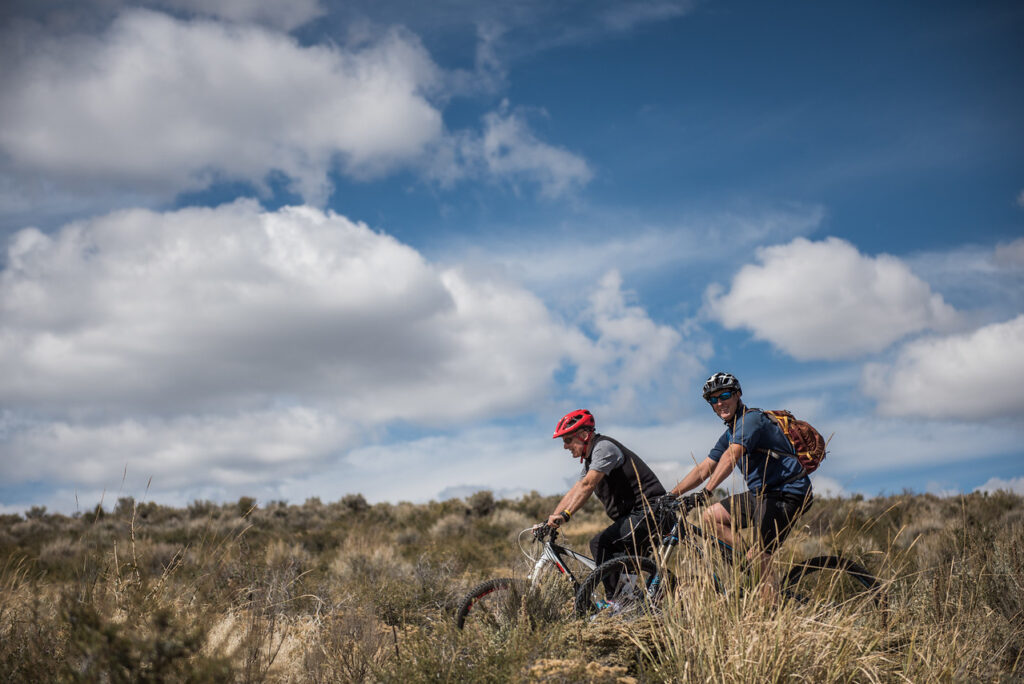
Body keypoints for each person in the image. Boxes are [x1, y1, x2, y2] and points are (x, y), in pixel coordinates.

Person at [669, 372, 813, 592]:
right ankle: (752, 570)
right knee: (711, 517)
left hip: (788, 493)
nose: (719, 403)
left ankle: (771, 608)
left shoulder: (751, 421)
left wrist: (706, 492)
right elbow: (704, 467)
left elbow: (731, 456)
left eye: (724, 395)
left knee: (760, 554)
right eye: (713, 400)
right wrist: (671, 495)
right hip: (761, 494)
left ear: (738, 395)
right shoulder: (730, 432)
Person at [544, 409, 668, 574]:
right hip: (635, 516)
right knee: (624, 570)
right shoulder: (591, 461)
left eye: (568, 440)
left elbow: (588, 485)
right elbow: (576, 489)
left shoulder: (603, 448)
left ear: (584, 435)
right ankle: (631, 597)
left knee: (600, 544)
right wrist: (550, 520)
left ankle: (613, 601)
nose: (565, 446)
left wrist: (565, 515)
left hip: (650, 511)